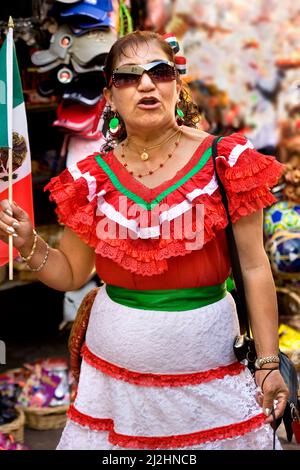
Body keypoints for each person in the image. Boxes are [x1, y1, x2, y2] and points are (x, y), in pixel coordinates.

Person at [0, 31, 289, 450]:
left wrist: (266, 362)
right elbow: (72, 274)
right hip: (114, 386)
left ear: (177, 84)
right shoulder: (91, 179)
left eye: (160, 71)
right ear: (110, 96)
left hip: (212, 375)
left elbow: (254, 266)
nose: (147, 84)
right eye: (128, 77)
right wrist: (29, 243)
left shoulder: (226, 163)